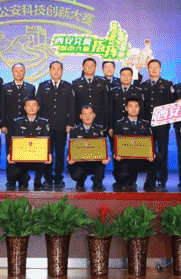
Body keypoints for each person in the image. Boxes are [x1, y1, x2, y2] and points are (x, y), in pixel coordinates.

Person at [36, 61, 76, 190]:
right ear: (49, 71)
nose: (56, 71)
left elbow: (72, 107)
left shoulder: (68, 86)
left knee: (59, 153)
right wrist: (39, 125)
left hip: (61, 126)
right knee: (47, 153)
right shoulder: (42, 86)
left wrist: (70, 123)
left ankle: (58, 178)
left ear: (62, 71)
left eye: (59, 69)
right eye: (53, 68)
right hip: (45, 127)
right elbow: (38, 107)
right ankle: (47, 179)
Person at [113, 97, 164, 192]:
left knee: (159, 156)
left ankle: (149, 183)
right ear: (126, 108)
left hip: (141, 158)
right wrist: (116, 153)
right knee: (124, 181)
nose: (134, 109)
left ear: (139, 108)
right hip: (126, 158)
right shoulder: (119, 124)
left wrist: (151, 153)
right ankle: (127, 179)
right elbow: (115, 143)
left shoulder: (145, 124)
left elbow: (150, 141)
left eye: (136, 106)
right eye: (131, 106)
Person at [138, 59, 175, 190]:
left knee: (163, 151)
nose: (153, 70)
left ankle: (162, 178)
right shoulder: (143, 86)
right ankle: (151, 178)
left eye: (156, 67)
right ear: (147, 70)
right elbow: (141, 107)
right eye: (151, 68)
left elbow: (171, 103)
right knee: (149, 152)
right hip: (147, 125)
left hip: (162, 124)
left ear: (160, 69)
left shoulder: (167, 84)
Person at [7, 96, 52, 191]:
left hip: (38, 154)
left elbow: (47, 140)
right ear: (24, 107)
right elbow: (14, 140)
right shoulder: (18, 122)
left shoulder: (44, 122)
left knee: (45, 157)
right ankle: (24, 180)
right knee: (12, 173)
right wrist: (10, 153)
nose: (31, 108)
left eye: (34, 105)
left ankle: (37, 182)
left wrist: (49, 153)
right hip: (23, 154)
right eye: (28, 105)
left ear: (38, 107)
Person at [68, 105, 110, 192]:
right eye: (85, 114)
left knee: (102, 163)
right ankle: (80, 182)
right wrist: (70, 157)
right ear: (80, 116)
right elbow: (71, 148)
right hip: (80, 162)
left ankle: (97, 183)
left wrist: (106, 157)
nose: (88, 117)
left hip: (94, 162)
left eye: (90, 114)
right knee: (76, 174)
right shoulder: (74, 130)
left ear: (94, 115)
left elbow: (102, 148)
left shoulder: (100, 129)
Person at [0, 63, 36, 156]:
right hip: (10, 124)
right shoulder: (5, 87)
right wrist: (3, 125)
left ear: (24, 72)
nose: (18, 73)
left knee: (25, 150)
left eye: (21, 71)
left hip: (27, 124)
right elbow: (2, 107)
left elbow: (34, 107)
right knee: (10, 151)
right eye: (16, 71)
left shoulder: (31, 88)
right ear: (12, 72)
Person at [72, 58, 110, 130]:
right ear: (83, 67)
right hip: (80, 121)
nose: (89, 68)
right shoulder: (76, 83)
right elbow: (73, 104)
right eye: (87, 65)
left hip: (99, 120)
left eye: (92, 65)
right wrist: (73, 121)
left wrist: (106, 122)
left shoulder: (102, 82)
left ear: (95, 67)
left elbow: (106, 103)